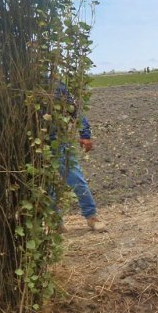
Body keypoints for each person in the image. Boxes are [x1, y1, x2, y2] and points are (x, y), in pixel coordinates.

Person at [54, 81, 106, 232]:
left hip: (59, 142)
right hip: (35, 145)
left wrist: (85, 134)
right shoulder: (21, 86)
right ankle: (56, 223)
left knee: (76, 179)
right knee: (46, 186)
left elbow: (75, 110)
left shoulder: (57, 86)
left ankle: (91, 217)